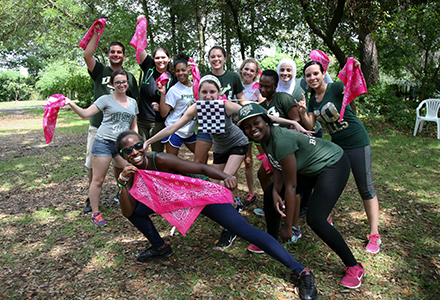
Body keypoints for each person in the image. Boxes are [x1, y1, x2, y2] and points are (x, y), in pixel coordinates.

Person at [115, 130, 318, 300]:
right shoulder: (128, 172)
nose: (134, 152)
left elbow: (201, 167)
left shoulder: (159, 159)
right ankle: (160, 248)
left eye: (138, 145)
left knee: (245, 230)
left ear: (145, 145)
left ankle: (302, 271)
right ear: (123, 155)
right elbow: (128, 211)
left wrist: (226, 176)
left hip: (200, 195)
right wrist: (123, 181)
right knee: (135, 212)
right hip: (174, 201)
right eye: (128, 150)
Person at [238, 103, 366, 289]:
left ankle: (354, 266)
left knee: (316, 219)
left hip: (333, 163)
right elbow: (279, 166)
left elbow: (291, 187)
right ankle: (270, 242)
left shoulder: (281, 139)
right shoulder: (265, 138)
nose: (252, 129)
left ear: (266, 121)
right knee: (269, 193)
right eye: (247, 127)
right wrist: (274, 191)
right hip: (310, 167)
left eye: (256, 123)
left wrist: (288, 226)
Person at [144, 75, 248, 248]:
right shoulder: (196, 108)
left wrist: (288, 123)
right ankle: (231, 210)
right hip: (221, 149)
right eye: (204, 92)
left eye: (212, 92)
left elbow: (251, 113)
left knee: (225, 180)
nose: (208, 96)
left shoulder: (226, 105)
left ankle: (232, 227)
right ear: (198, 93)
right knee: (213, 186)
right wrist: (148, 141)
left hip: (238, 144)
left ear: (219, 93)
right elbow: (172, 127)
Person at [297, 60, 382, 254]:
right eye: (308, 75)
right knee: (327, 182)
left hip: (357, 141)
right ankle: (326, 217)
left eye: (315, 74)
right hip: (337, 147)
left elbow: (352, 84)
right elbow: (310, 126)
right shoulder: (311, 98)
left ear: (322, 73)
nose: (312, 78)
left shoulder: (335, 88)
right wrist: (303, 111)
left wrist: (354, 66)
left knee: (365, 187)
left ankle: (374, 234)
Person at [65, 69, 139, 226]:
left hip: (122, 146)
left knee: (133, 172)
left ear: (128, 82)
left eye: (124, 81)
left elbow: (134, 126)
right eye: (118, 82)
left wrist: (136, 144)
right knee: (98, 180)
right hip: (104, 142)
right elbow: (85, 114)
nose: (122, 84)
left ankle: (131, 203)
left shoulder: (133, 102)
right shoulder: (105, 99)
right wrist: (70, 103)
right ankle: (95, 213)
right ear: (112, 84)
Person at [82, 22, 139, 214]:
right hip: (98, 127)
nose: (115, 54)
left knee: (120, 163)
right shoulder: (100, 71)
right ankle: (91, 199)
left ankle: (120, 192)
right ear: (108, 55)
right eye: (112, 52)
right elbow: (87, 55)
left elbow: (133, 104)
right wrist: (96, 33)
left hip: (120, 132)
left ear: (124, 55)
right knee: (93, 166)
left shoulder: (129, 77)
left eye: (119, 52)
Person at [194, 46, 245, 165]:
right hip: (207, 124)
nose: (216, 59)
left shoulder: (233, 77)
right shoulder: (203, 77)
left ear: (225, 58)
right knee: (198, 161)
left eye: (219, 56)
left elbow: (242, 100)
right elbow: (197, 99)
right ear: (208, 59)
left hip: (226, 126)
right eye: (212, 56)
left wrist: (256, 106)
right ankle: (202, 183)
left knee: (229, 166)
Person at [136, 15, 176, 153]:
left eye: (163, 57)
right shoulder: (148, 66)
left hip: (158, 122)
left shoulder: (173, 78)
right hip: (141, 120)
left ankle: (155, 175)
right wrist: (142, 24)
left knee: (156, 155)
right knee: (140, 153)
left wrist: (164, 107)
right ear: (153, 59)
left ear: (169, 58)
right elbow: (140, 47)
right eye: (157, 58)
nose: (160, 60)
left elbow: (177, 102)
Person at [157, 53, 196, 156]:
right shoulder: (174, 90)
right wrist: (163, 94)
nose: (180, 73)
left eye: (183, 70)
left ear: (189, 69)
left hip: (189, 131)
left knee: (202, 156)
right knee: (172, 163)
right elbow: (164, 113)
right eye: (177, 71)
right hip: (174, 130)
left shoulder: (196, 87)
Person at [238, 58, 265, 207]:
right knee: (247, 161)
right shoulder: (237, 86)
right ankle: (251, 192)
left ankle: (270, 189)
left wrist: (250, 106)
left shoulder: (257, 87)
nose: (248, 72)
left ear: (255, 74)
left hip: (256, 129)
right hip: (242, 128)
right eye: (246, 69)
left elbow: (262, 104)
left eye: (252, 70)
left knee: (266, 158)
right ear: (242, 69)